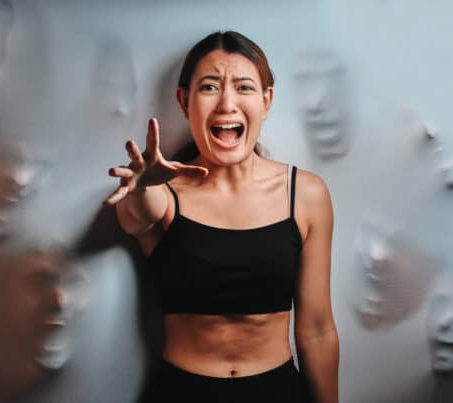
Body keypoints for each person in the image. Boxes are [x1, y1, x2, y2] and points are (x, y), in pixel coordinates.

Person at [105, 31, 338, 403]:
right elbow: (135, 216)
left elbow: (318, 330)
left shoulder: (306, 194)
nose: (227, 103)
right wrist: (143, 185)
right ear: (184, 101)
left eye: (244, 88)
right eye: (210, 87)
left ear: (266, 101)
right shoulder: (163, 192)